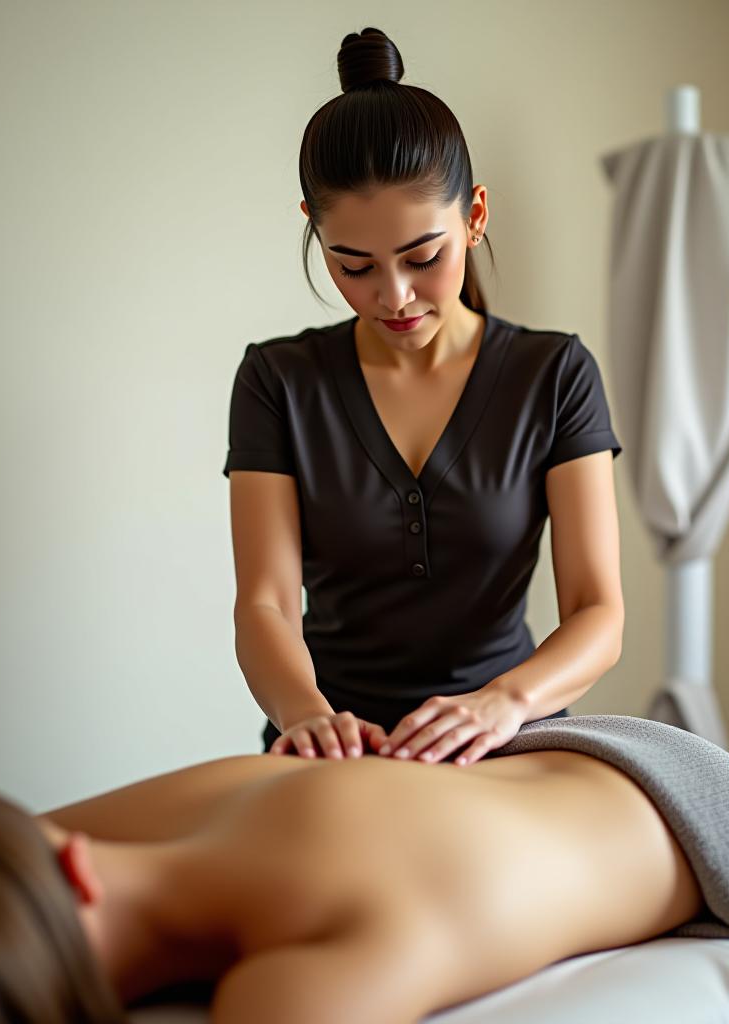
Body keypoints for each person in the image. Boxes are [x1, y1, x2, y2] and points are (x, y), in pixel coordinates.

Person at [224, 26, 625, 764]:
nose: (394, 295)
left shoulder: (555, 374)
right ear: (314, 232)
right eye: (354, 266)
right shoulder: (278, 382)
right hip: (335, 753)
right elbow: (266, 604)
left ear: (474, 217)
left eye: (421, 257)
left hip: (512, 742)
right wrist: (306, 717)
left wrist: (504, 702)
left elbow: (599, 614)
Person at [0, 729, 706, 1023]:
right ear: (74, 868)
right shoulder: (284, 991)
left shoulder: (285, 988)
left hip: (674, 800)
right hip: (663, 791)